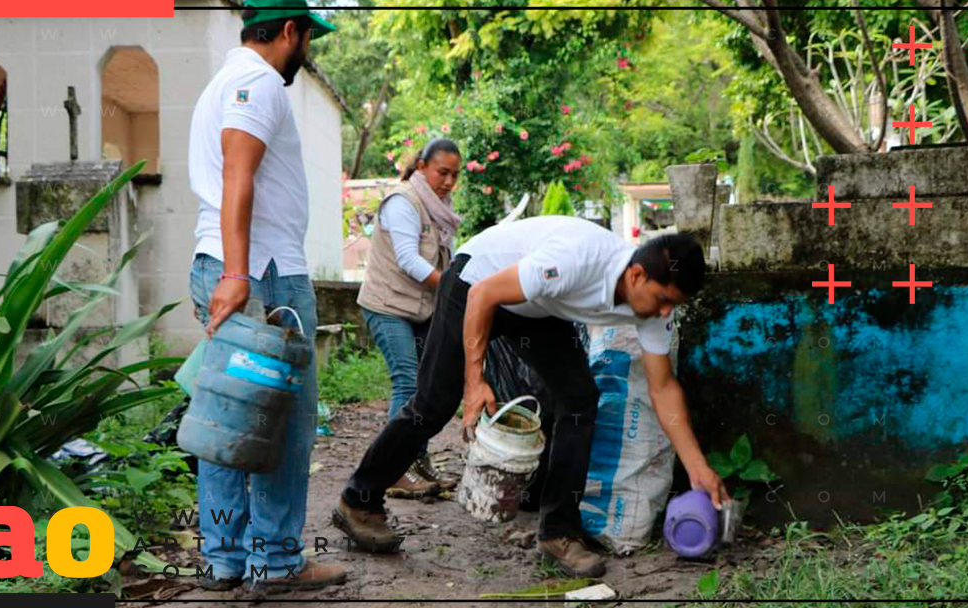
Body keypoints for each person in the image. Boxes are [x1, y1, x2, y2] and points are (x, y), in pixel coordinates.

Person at [333, 216, 729, 578]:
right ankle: (359, 499)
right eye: (664, 301)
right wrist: (475, 382)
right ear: (638, 274)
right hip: (477, 283)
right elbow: (484, 295)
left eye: (673, 305)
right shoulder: (577, 260)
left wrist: (696, 466)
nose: (665, 313)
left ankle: (558, 532)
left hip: (537, 310)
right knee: (434, 404)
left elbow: (663, 388)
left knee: (579, 401)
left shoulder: (651, 308)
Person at [186, 0, 346, 593]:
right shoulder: (259, 80)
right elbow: (238, 172)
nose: (308, 49)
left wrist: (227, 270)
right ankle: (275, 562)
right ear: (288, 31)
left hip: (227, 266)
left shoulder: (222, 81)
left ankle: (225, 560)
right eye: (308, 36)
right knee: (286, 421)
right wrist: (238, 272)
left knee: (226, 417)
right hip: (262, 274)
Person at [356, 138, 462, 498]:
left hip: (420, 309)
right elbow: (409, 259)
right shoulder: (403, 202)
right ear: (422, 167)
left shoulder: (439, 207)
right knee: (407, 382)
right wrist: (453, 289)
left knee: (427, 386)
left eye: (455, 175)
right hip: (386, 306)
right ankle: (391, 471)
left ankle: (417, 463)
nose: (448, 182)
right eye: (442, 173)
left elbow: (447, 258)